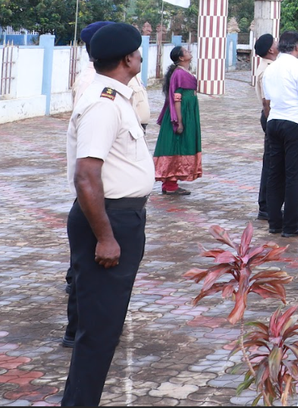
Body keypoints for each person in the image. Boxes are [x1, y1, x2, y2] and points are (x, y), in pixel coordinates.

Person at [62, 22, 152, 407]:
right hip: (108, 220)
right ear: (128, 59)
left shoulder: (116, 97)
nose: (140, 56)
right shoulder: (103, 103)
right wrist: (105, 237)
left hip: (120, 217)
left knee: (104, 328)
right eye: (138, 51)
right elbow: (86, 175)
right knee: (99, 332)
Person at [261, 30, 298, 237]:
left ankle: (275, 223)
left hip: (274, 123)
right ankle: (291, 226)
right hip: (296, 125)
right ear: (296, 47)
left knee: (275, 175)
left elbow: (266, 103)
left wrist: (271, 121)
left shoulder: (271, 69)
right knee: (296, 177)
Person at [152, 45, 201, 195]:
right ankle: (170, 185)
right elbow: (176, 98)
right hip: (181, 113)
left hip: (187, 113)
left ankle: (169, 183)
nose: (189, 52)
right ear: (181, 57)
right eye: (186, 51)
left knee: (178, 145)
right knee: (175, 145)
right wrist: (179, 120)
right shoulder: (179, 74)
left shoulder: (184, 72)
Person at [251, 33, 276, 221]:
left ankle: (267, 205)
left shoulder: (267, 67)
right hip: (270, 115)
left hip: (269, 116)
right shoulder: (268, 70)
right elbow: (268, 102)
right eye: (275, 42)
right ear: (271, 49)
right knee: (271, 163)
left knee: (271, 161)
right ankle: (266, 206)